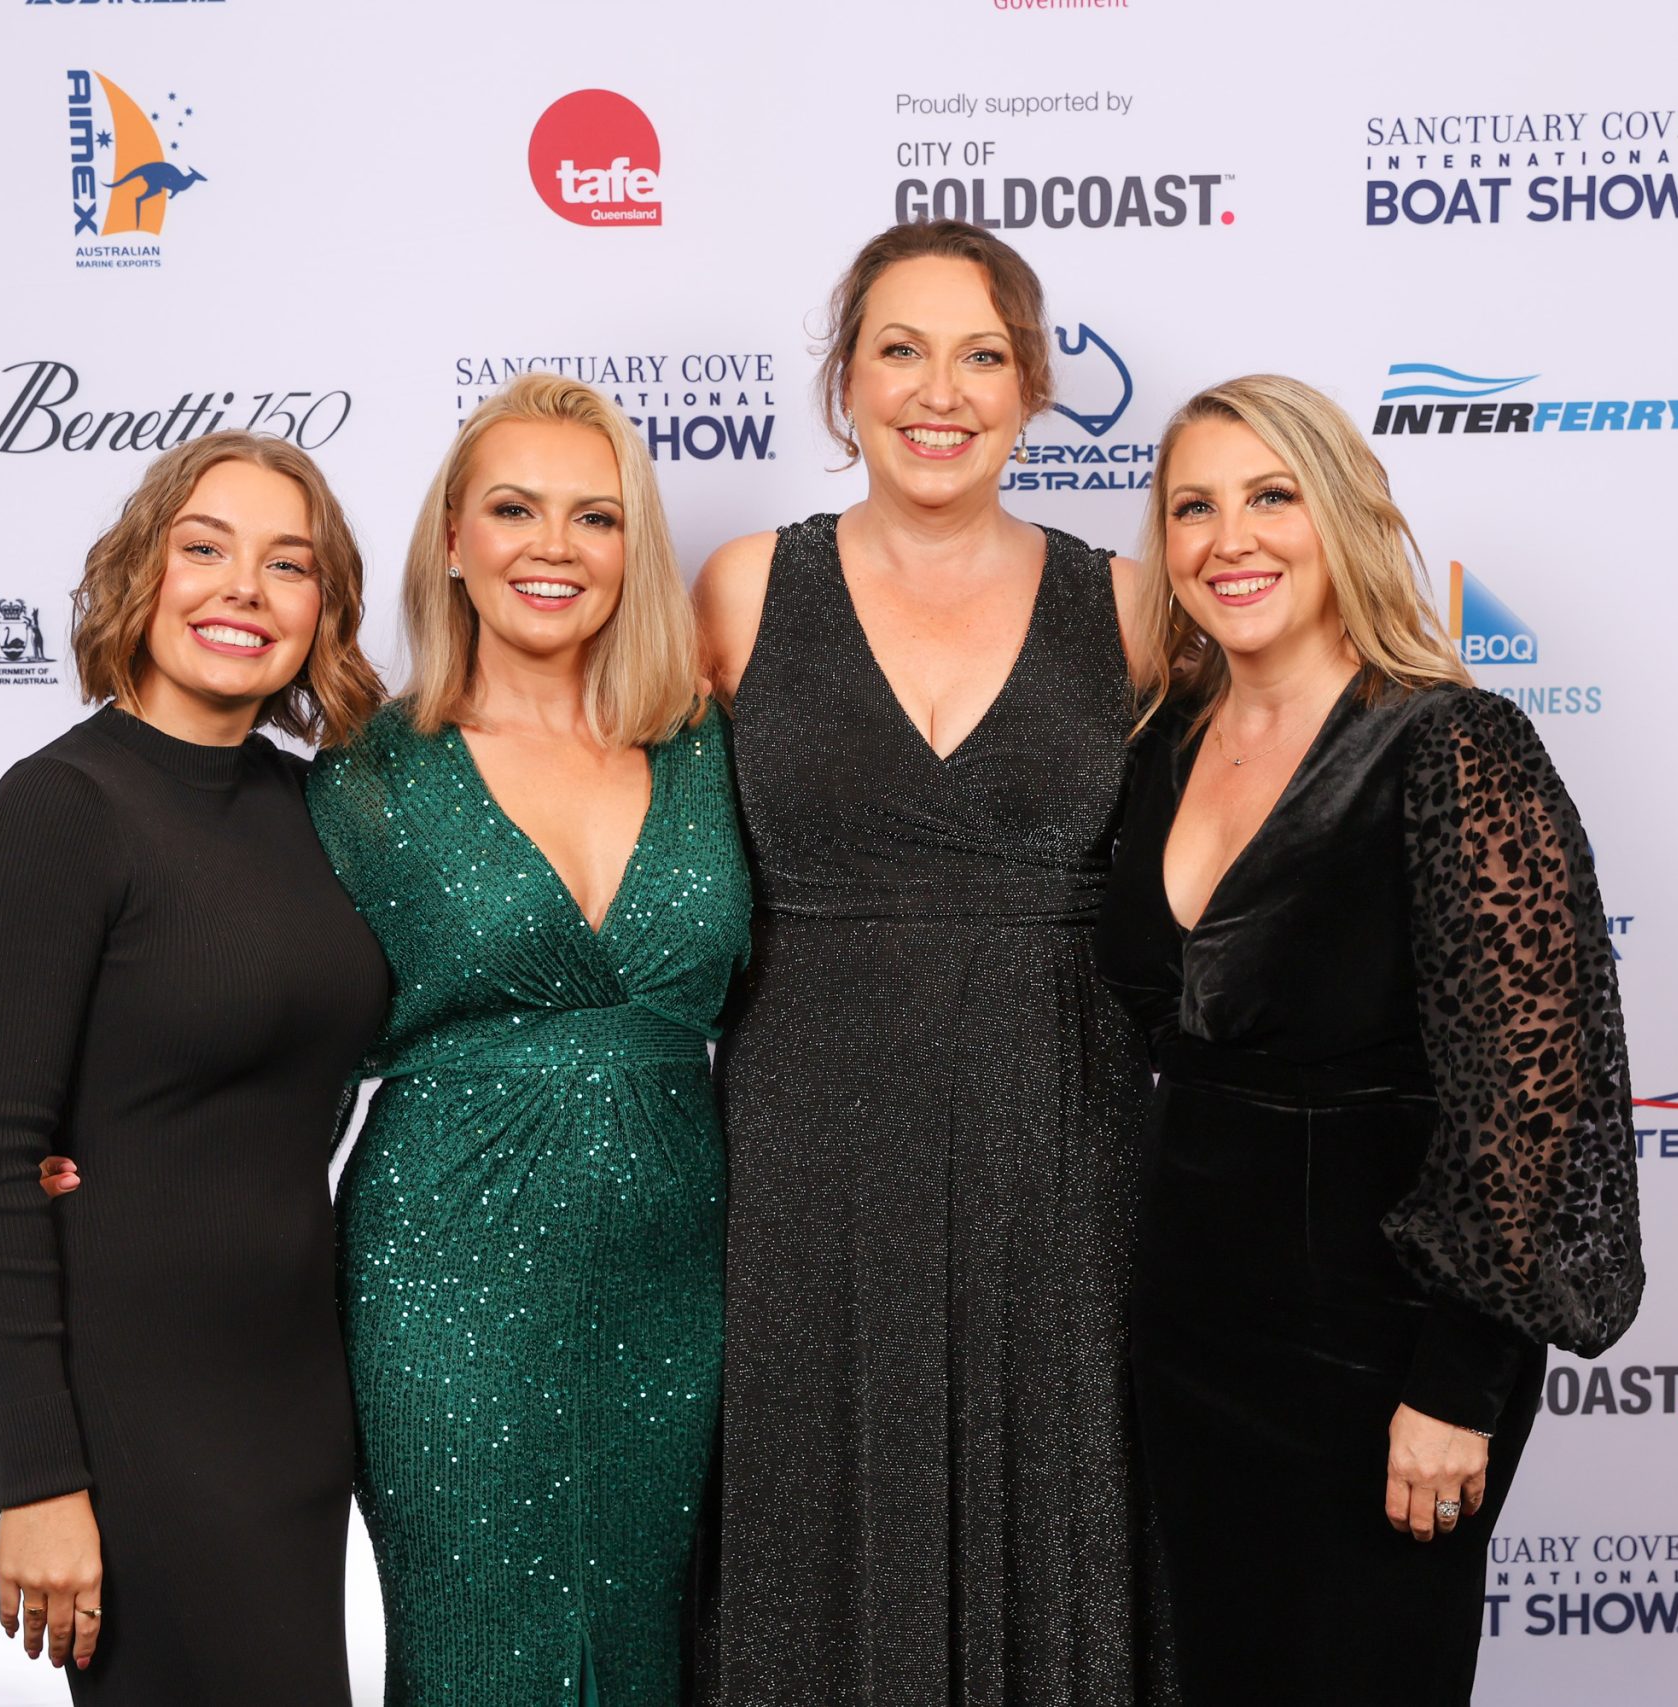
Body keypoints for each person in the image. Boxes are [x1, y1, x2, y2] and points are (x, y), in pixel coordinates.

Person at [1091, 374, 1644, 1704]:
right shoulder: (1163, 744)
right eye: (1193, 508)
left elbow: (1530, 1100)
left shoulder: (1454, 745)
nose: (1230, 539)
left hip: (1383, 1342)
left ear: (1342, 515)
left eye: (1271, 496)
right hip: (1192, 1325)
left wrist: (1457, 1382)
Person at [691, 219, 1168, 1703]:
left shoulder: (1134, 606)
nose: (939, 391)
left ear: (1031, 386)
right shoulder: (741, 590)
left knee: (1059, 1507)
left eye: (981, 355)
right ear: (846, 380)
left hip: (1061, 1160)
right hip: (806, 1164)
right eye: (900, 349)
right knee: (813, 1515)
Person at [0, 431, 390, 1702]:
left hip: (293, 1393)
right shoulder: (58, 812)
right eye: (205, 549)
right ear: (142, 574)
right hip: (135, 1401)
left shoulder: (313, 808)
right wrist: (36, 1479)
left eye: (288, 564)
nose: (244, 588)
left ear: (323, 610)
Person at [307, 373, 749, 1703]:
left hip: (678, 1271)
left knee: (649, 1641)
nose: (554, 546)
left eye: (594, 517)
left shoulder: (709, 749)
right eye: (514, 509)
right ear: (453, 538)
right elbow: (271, 1019)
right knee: (475, 1647)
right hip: (444, 1267)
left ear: (632, 549)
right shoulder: (367, 775)